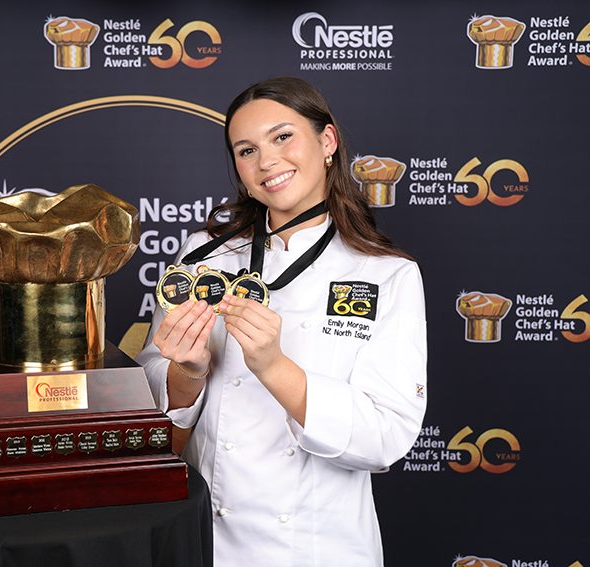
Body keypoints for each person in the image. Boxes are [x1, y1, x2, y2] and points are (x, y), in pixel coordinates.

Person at [135, 77, 427, 567]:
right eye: (246, 150)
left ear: (327, 141)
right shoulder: (202, 257)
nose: (266, 161)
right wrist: (187, 372)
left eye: (283, 137)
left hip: (318, 547)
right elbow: (150, 400)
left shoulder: (386, 275)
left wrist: (273, 366)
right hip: (208, 540)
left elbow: (385, 436)